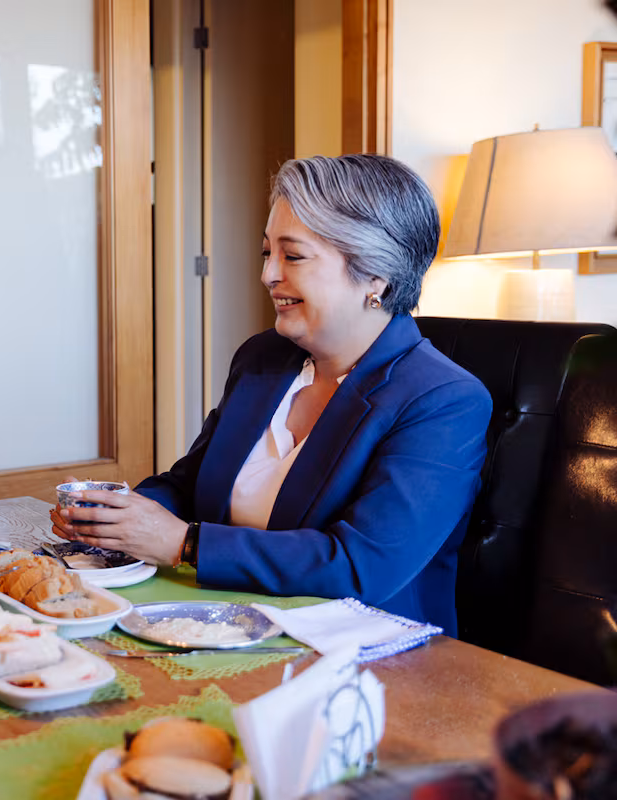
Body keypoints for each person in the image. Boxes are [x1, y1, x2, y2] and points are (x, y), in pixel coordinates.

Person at [51, 154, 491, 635]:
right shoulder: (263, 358)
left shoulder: (444, 400)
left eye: (293, 256)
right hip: (224, 624)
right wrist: (112, 520)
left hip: (363, 655)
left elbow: (360, 566)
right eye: (267, 253)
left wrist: (184, 544)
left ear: (376, 276)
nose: (268, 275)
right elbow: (188, 485)